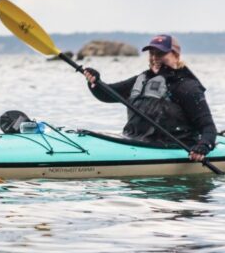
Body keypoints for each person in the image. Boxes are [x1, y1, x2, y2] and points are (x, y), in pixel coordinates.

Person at [83, 34, 216, 162]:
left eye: (160, 54)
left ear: (176, 55)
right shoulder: (142, 79)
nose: (154, 58)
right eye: (151, 53)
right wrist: (94, 81)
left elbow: (208, 126)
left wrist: (203, 146)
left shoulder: (187, 86)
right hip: (136, 141)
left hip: (171, 146)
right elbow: (107, 94)